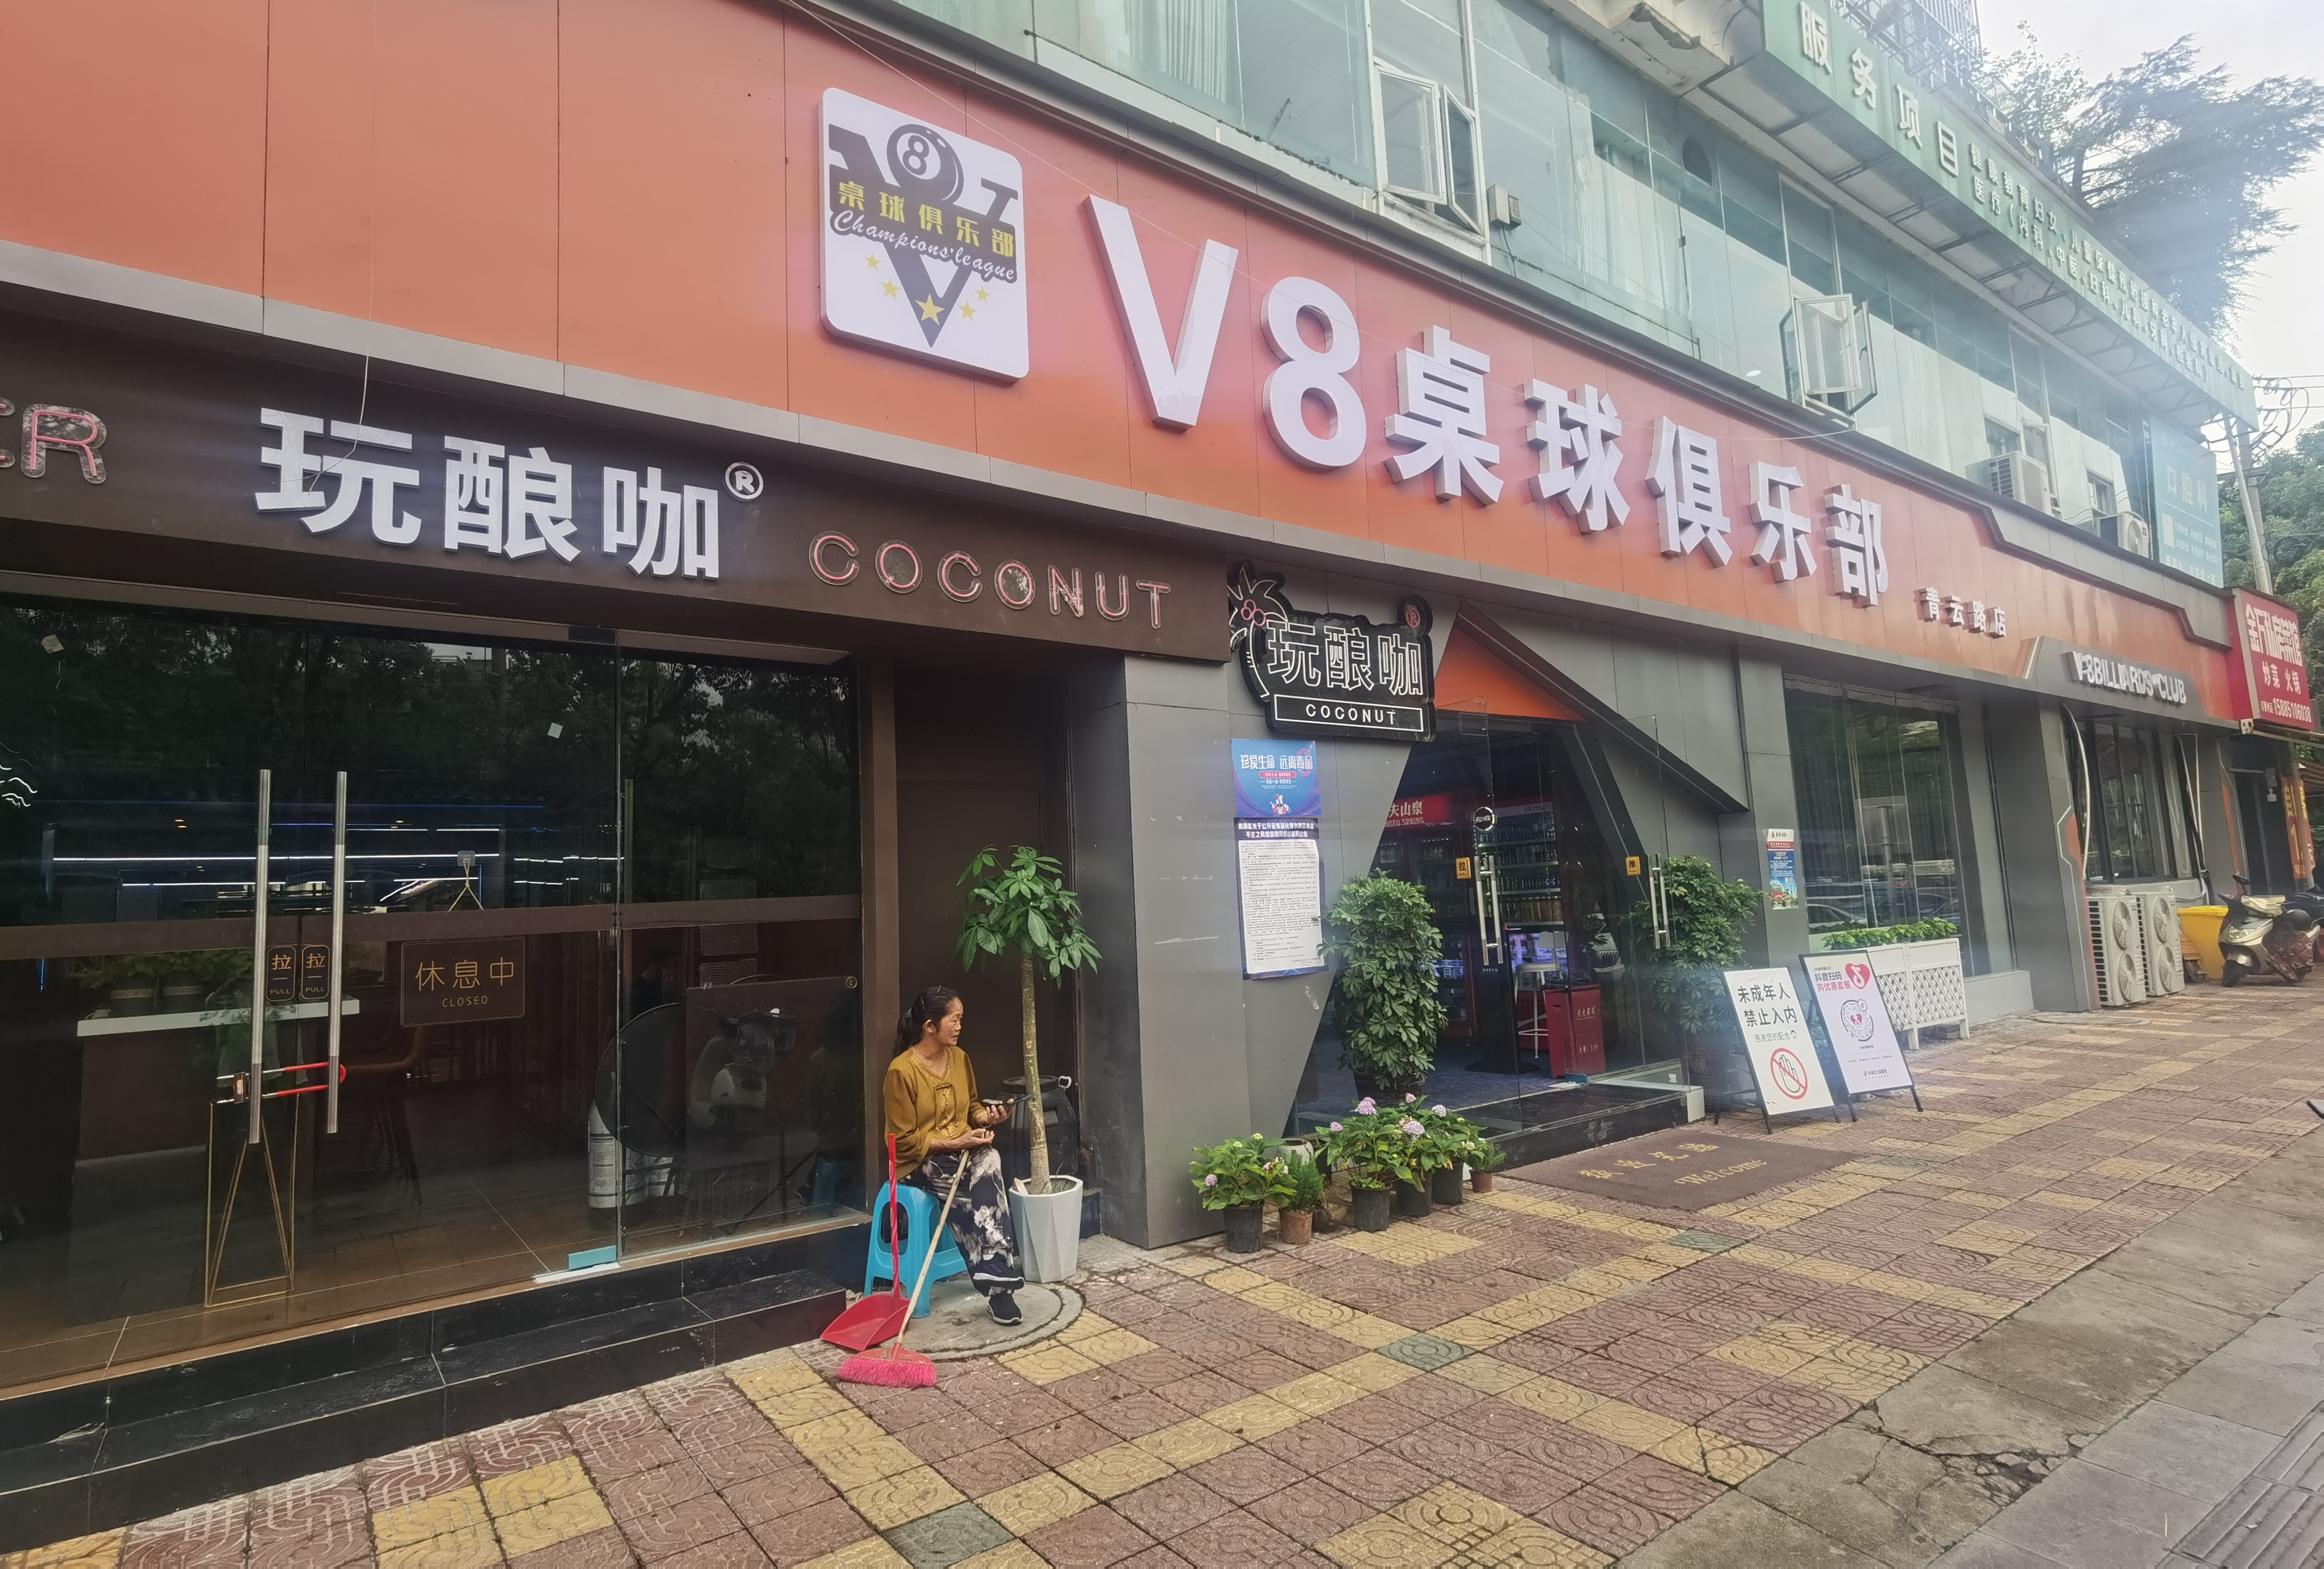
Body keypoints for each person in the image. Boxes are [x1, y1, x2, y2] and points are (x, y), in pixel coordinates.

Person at [884, 986, 1024, 1324]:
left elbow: (972, 1106)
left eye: (961, 1019)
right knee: (970, 1198)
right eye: (954, 1019)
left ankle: (993, 1264)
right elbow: (902, 1141)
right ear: (930, 1026)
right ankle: (999, 1289)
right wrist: (956, 1142)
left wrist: (985, 1117)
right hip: (921, 1161)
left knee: (990, 1159)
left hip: (962, 1150)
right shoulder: (901, 1072)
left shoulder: (960, 1058)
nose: (960, 1026)